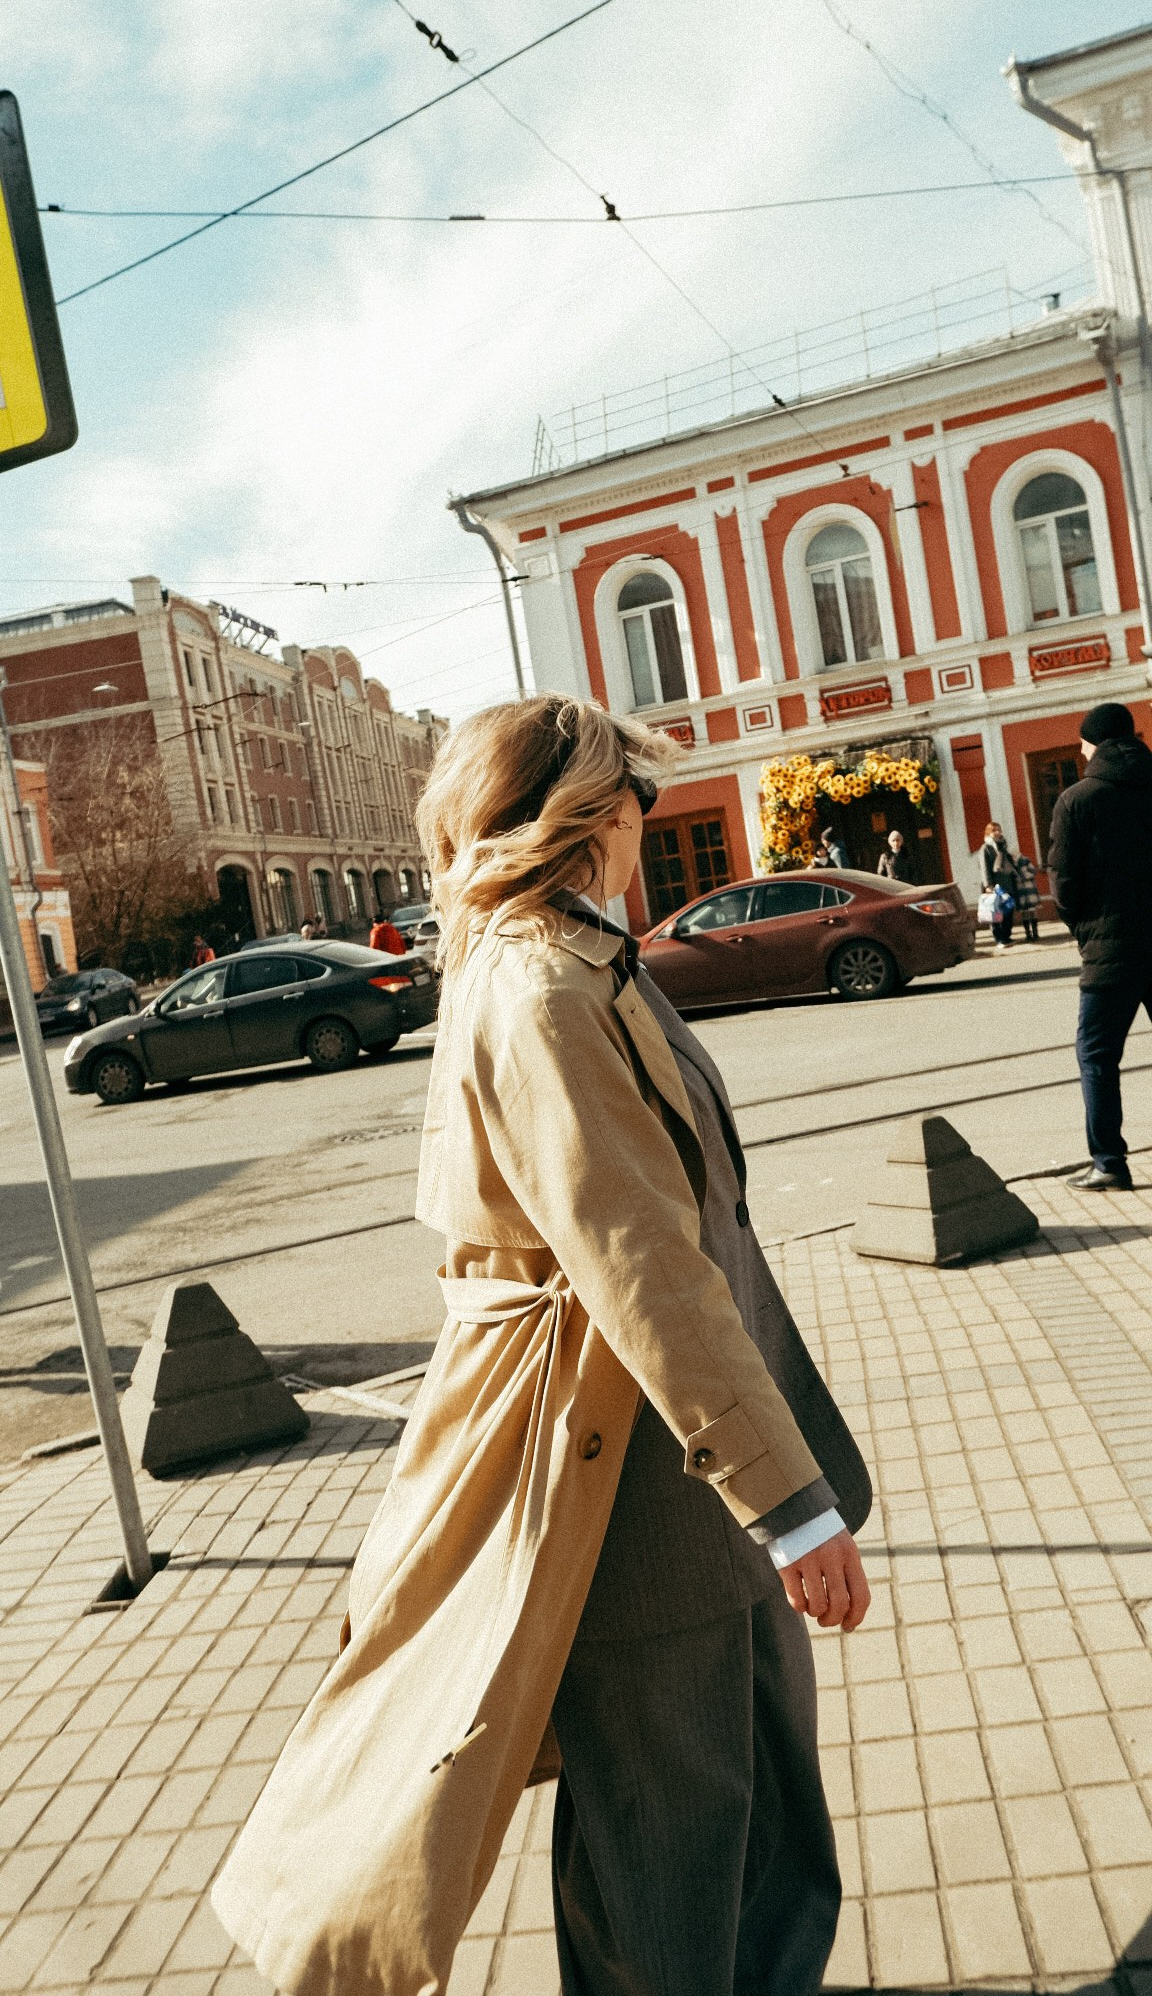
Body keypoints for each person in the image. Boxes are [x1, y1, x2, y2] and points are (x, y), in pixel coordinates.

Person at [213, 695, 872, 1996]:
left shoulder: (568, 964)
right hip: (639, 1495)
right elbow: (644, 1270)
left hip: (680, 1482)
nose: (647, 825)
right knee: (677, 1883)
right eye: (641, 802)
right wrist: (792, 1508)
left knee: (759, 1843)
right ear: (597, 816)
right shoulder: (541, 988)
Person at [1048, 701, 1152, 1192]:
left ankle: (1109, 1162)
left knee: (1096, 1053)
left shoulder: (1078, 799)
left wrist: (1086, 931)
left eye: (1084, 740)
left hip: (1112, 952)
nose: (1081, 748)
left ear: (1096, 742)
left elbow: (1064, 886)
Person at [980, 821, 1019, 949]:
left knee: (1008, 911)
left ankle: (1007, 936)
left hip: (1007, 884)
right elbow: (984, 867)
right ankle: (999, 939)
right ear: (988, 833)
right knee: (996, 913)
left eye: (999, 829)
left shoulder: (1003, 847)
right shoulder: (986, 848)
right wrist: (988, 885)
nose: (997, 832)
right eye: (994, 830)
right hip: (994, 886)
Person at [1014, 850, 1040, 943]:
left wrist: (1025, 876)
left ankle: (1035, 933)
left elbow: (1033, 871)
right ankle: (1028, 934)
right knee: (1024, 912)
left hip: (1029, 888)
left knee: (1032, 910)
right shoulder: (1012, 863)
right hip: (1020, 890)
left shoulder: (1025, 860)